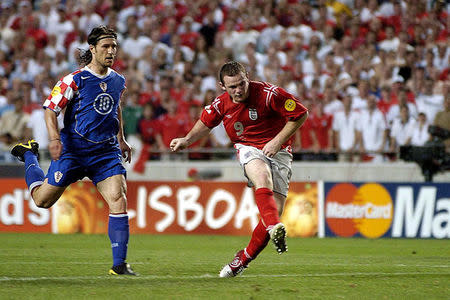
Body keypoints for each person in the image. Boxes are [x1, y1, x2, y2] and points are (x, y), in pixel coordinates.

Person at [10, 26, 136, 276]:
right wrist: (54, 139)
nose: (111, 51)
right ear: (92, 49)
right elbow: (50, 109)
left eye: (114, 46)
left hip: (105, 153)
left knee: (118, 199)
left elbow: (115, 108)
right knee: (42, 201)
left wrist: (121, 139)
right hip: (73, 151)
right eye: (105, 47)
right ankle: (28, 154)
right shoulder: (75, 79)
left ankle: (119, 266)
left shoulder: (118, 80)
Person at [170, 61, 308, 277]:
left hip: (279, 150)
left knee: (274, 211)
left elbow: (300, 114)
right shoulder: (221, 103)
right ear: (222, 85)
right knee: (262, 177)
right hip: (248, 147)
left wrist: (277, 141)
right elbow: (206, 123)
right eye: (232, 86)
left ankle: (242, 259)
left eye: (241, 84)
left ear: (248, 77)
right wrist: (186, 140)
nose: (238, 90)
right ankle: (274, 227)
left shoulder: (270, 94)